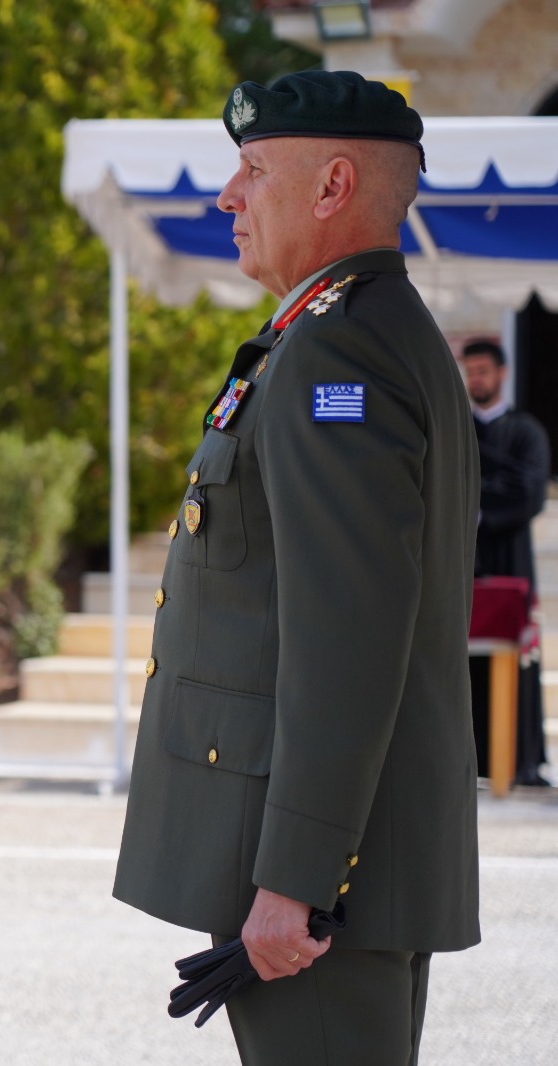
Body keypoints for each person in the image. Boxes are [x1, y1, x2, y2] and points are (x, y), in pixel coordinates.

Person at [112, 72, 481, 1065]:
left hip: (320, 879)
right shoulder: (345, 331)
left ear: (331, 186)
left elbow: (347, 640)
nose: (226, 196)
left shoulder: (338, 355)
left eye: (251, 170)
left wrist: (297, 879)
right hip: (336, 853)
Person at [462, 338, 552, 787]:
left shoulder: (527, 432)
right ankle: (469, 762)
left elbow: (530, 492)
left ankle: (519, 761)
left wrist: (477, 504)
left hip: (511, 560)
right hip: (465, 558)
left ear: (502, 373)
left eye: (483, 371)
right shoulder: (458, 429)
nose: (476, 379)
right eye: (470, 371)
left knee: (517, 660)